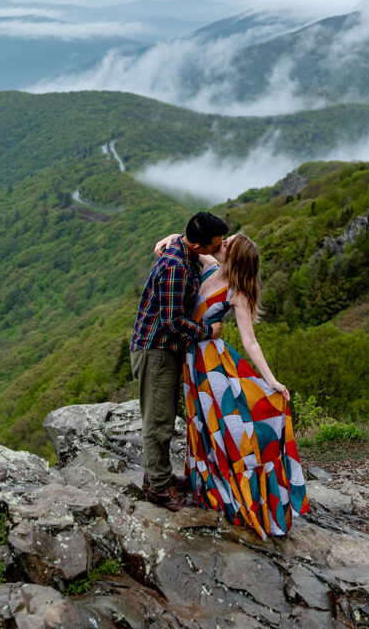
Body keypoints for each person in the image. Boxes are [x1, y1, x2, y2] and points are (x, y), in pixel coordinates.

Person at [155, 230, 309, 539]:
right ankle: (207, 485)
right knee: (199, 425)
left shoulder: (237, 292)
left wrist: (272, 381)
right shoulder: (209, 263)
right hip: (192, 361)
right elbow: (167, 247)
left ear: (234, 257)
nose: (220, 244)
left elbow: (250, 342)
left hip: (212, 366)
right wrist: (175, 236)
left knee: (224, 429)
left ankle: (242, 495)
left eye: (226, 244)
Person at [130, 211, 228, 512]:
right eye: (216, 244)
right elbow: (172, 322)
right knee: (158, 422)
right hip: (156, 351)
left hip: (161, 349)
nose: (219, 247)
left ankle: (156, 475)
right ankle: (158, 491)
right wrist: (207, 331)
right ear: (198, 246)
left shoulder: (183, 252)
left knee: (163, 415)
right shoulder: (176, 268)